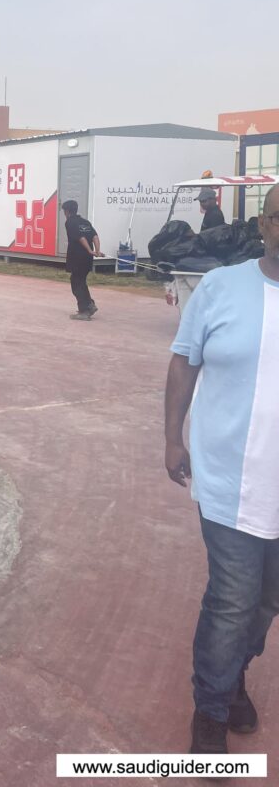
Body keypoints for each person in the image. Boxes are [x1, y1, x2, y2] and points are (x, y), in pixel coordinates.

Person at [165, 183, 279, 754]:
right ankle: (210, 710)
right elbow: (185, 361)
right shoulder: (220, 287)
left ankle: (232, 673)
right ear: (264, 224)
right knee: (233, 600)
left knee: (268, 601)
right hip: (230, 481)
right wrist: (172, 438)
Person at [61, 199, 103, 320]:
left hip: (77, 257)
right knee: (81, 281)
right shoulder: (85, 222)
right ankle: (89, 304)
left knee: (76, 283)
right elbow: (95, 236)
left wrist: (90, 250)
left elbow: (80, 237)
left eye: (64, 211)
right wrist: (97, 250)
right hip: (87, 259)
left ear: (67, 211)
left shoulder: (70, 222)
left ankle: (84, 310)